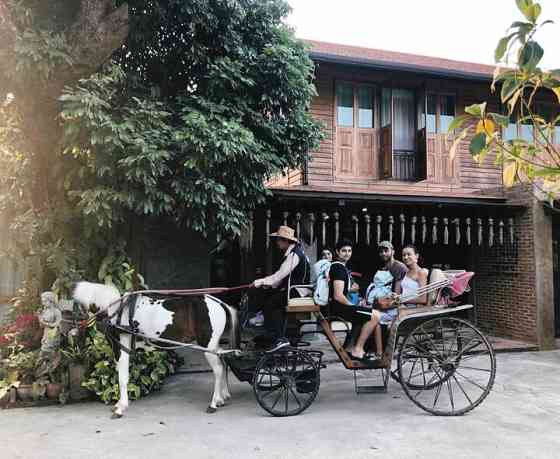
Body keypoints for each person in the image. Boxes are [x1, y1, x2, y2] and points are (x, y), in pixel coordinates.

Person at [252, 225, 310, 352]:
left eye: (278, 240)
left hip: (297, 290)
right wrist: (267, 284)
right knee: (268, 295)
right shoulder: (293, 253)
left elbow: (280, 275)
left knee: (271, 303)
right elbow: (281, 278)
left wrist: (261, 281)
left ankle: (278, 337)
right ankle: (271, 330)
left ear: (286, 241)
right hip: (293, 288)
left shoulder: (294, 255)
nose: (277, 242)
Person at [351, 241, 407, 361]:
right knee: (363, 312)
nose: (383, 253)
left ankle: (378, 352)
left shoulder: (398, 267)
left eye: (386, 250)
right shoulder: (384, 267)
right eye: (381, 251)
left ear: (393, 251)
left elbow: (396, 295)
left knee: (373, 316)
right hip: (382, 302)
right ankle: (366, 348)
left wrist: (378, 304)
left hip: (394, 304)